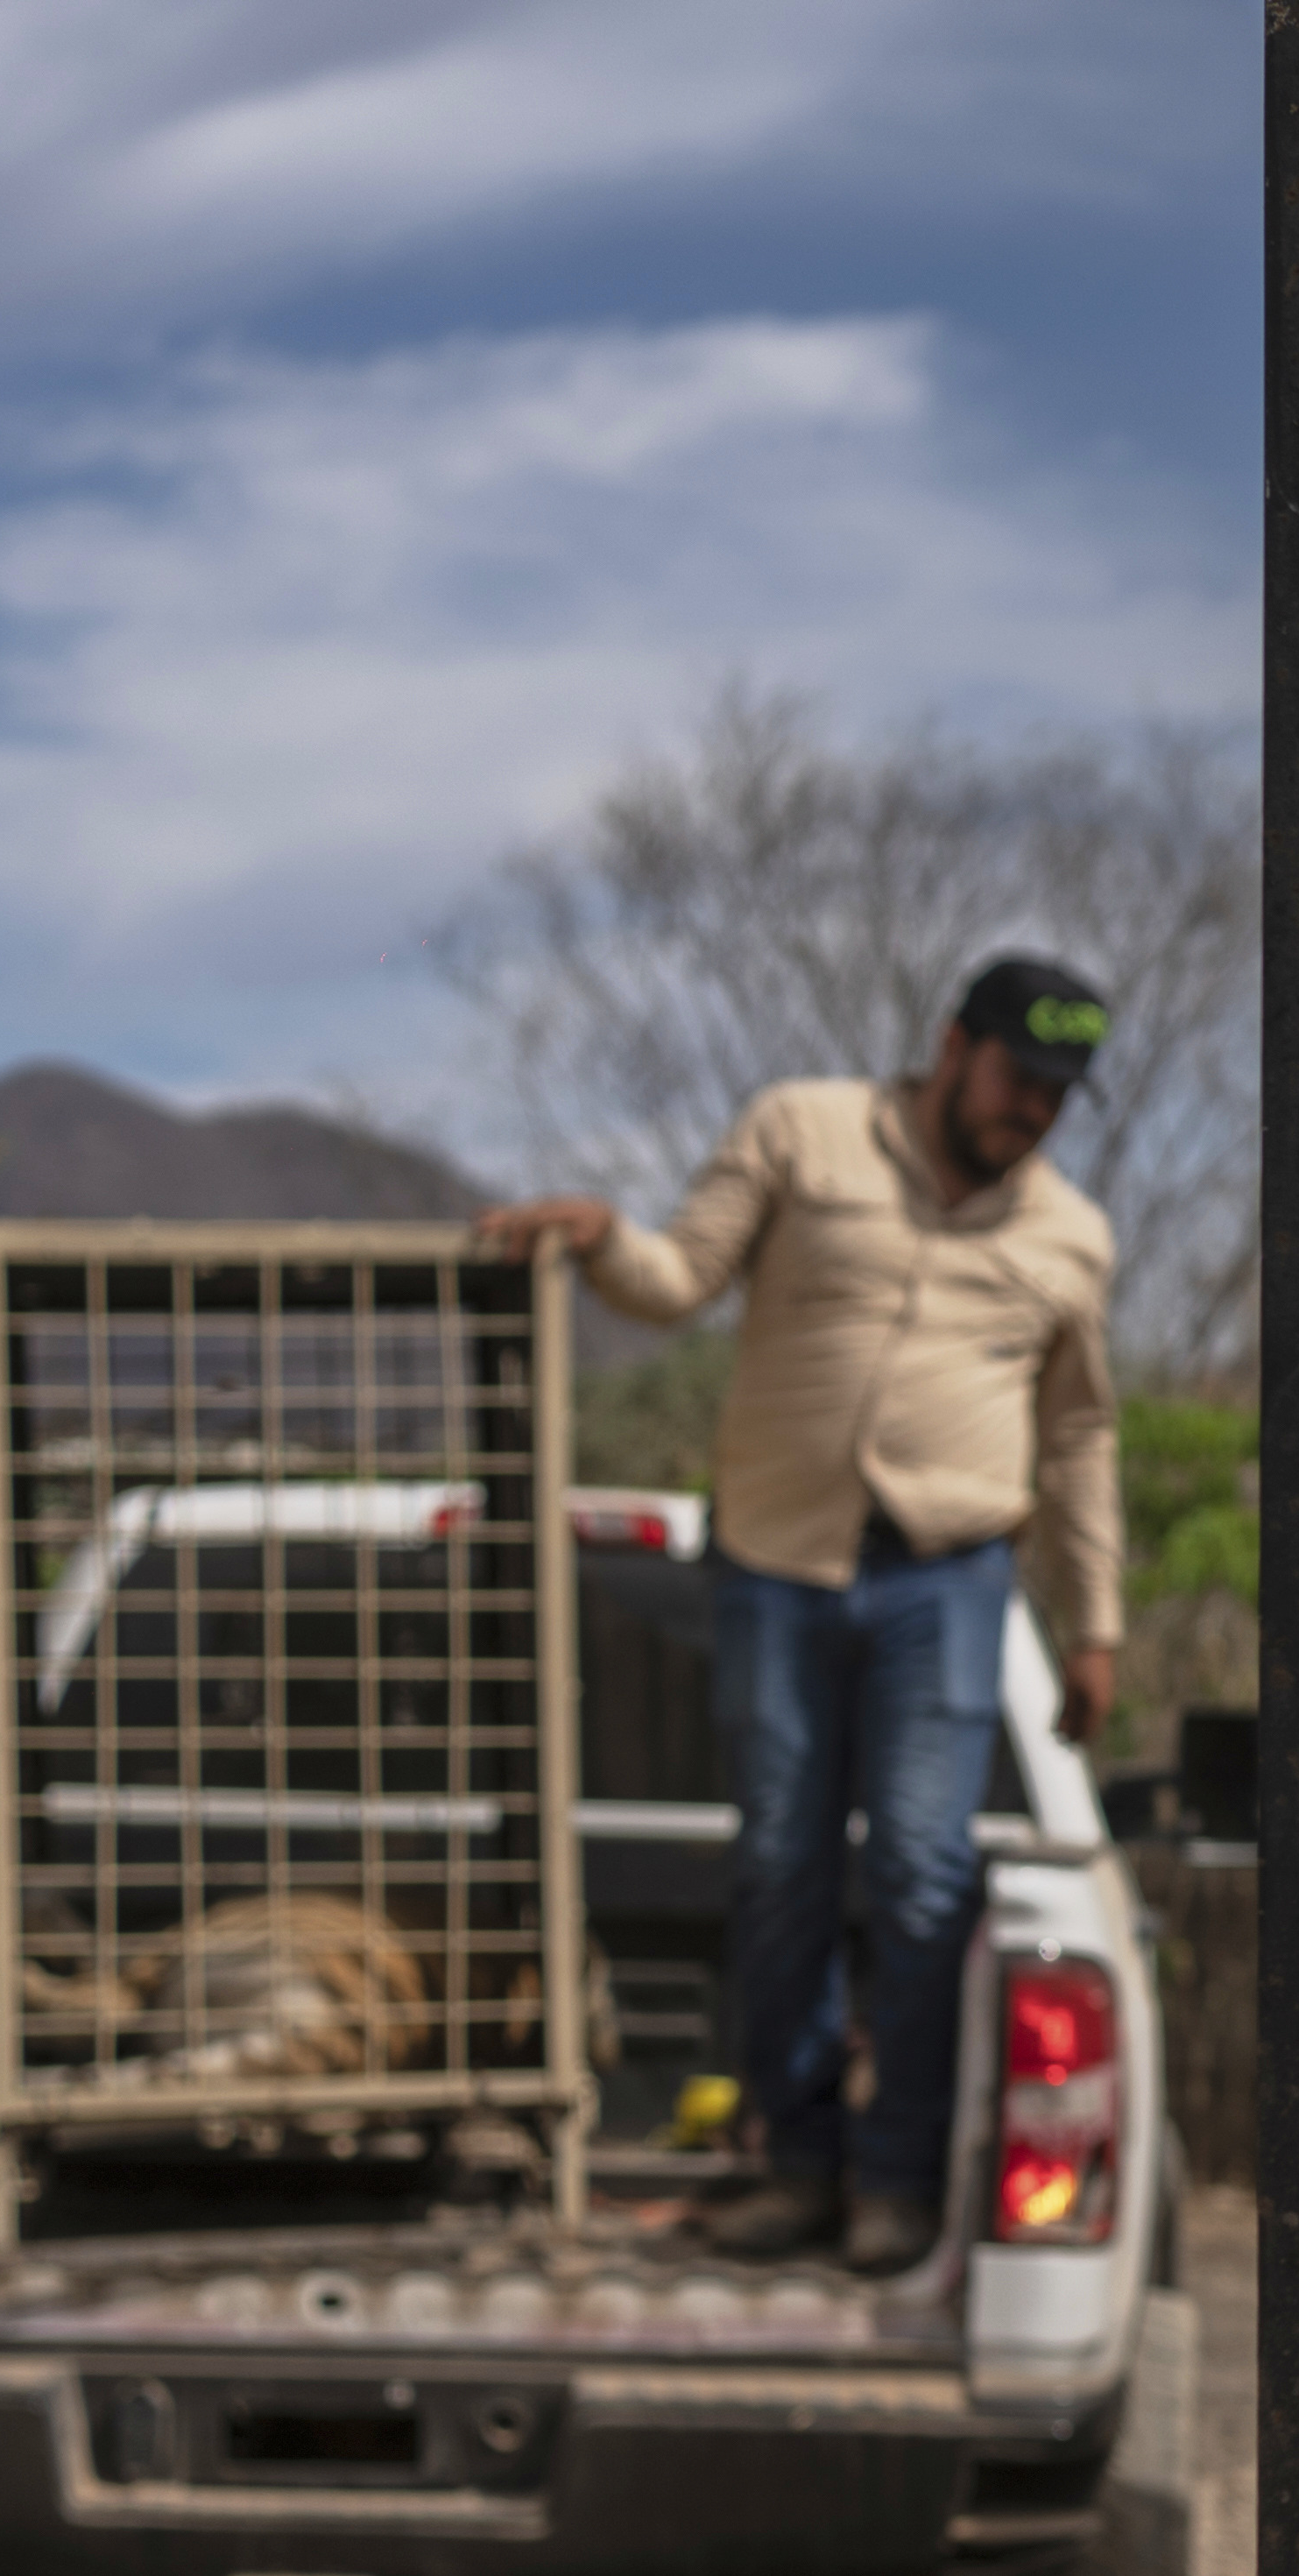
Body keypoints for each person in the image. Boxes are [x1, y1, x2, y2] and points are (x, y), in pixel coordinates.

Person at [482, 956, 1126, 2274]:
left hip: (946, 1576)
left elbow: (1078, 1437)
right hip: (779, 1562)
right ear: (954, 1047)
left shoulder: (1071, 1235)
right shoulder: (801, 1129)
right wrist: (603, 1240)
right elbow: (678, 1279)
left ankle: (894, 2177)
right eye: (1018, 1080)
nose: (1033, 1115)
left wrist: (1097, 1619)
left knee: (921, 1869)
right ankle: (794, 2157)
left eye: (1060, 1097)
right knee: (780, 1857)